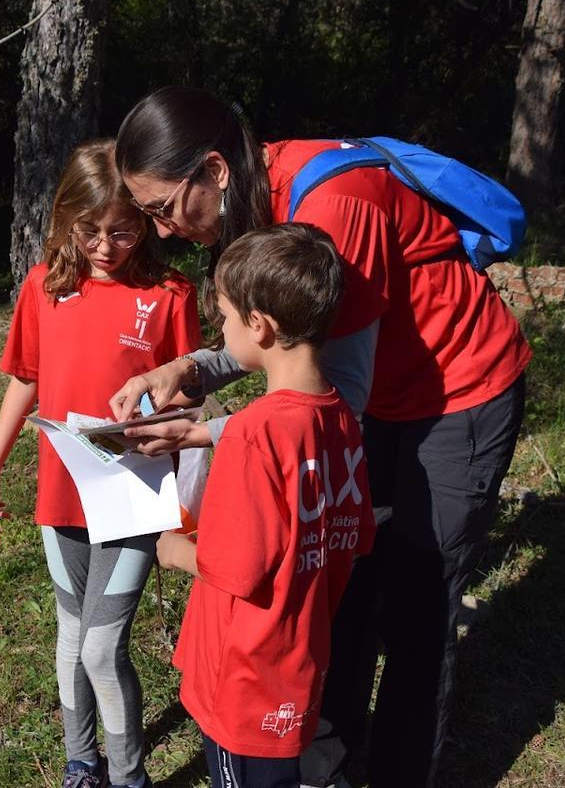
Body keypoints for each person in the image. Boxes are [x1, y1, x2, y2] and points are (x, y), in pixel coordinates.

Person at [108, 86, 531, 788]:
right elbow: (280, 347)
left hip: (458, 392)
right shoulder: (256, 196)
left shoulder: (333, 204)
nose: (163, 232)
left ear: (213, 169)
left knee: (417, 606)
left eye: (162, 209)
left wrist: (206, 434)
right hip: (375, 400)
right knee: (348, 579)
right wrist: (194, 367)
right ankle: (323, 750)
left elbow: (335, 397)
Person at [0, 138, 201, 788]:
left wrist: (170, 416)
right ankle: (81, 762)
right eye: (90, 230)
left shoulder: (169, 293)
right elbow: (24, 378)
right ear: (64, 218)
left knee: (103, 646)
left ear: (146, 225)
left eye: (122, 232)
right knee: (71, 632)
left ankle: (129, 776)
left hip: (131, 495)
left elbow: (193, 385)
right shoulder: (45, 287)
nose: (104, 246)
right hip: (60, 495)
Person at [155, 223, 375, 788]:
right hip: (300, 662)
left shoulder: (254, 434)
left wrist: (174, 550)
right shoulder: (342, 419)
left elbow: (236, 568)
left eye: (225, 318)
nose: (221, 331)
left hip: (242, 676)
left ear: (260, 326)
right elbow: (356, 534)